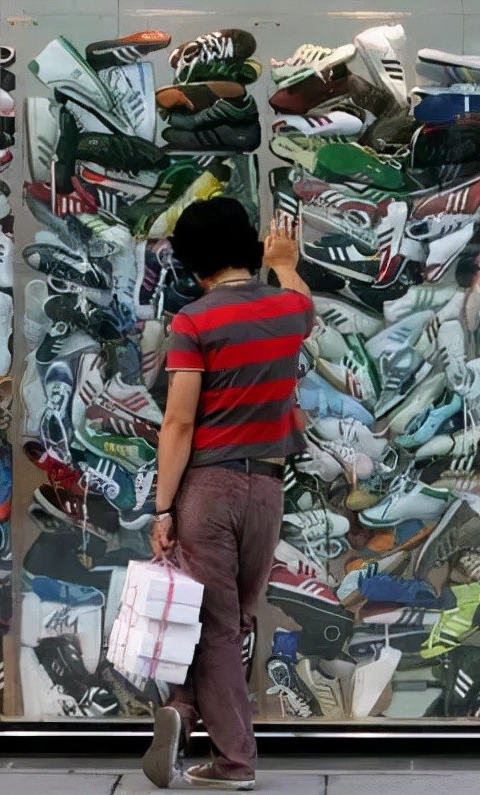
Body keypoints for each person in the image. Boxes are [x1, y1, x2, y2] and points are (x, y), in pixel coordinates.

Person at [141, 197, 312, 791]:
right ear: (248, 247)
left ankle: (233, 760)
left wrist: (163, 508)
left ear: (193, 263)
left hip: (208, 490)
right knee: (231, 619)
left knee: (211, 625)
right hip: (267, 488)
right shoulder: (289, 309)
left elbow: (179, 423)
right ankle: (185, 710)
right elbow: (302, 300)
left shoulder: (192, 322)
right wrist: (284, 263)